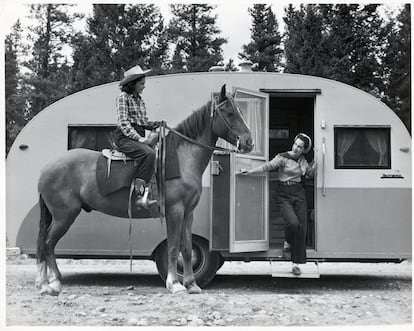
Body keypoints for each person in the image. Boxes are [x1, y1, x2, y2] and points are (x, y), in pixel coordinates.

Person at [239, 133, 316, 276]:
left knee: (301, 227)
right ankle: (287, 242)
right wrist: (250, 171)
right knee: (293, 223)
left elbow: (310, 173)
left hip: (298, 193)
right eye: (295, 144)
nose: (296, 148)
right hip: (283, 193)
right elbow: (268, 166)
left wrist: (317, 161)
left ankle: (296, 264)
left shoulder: (303, 160)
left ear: (304, 149)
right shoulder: (283, 157)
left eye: (300, 147)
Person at [113, 65, 160, 209]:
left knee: (158, 153)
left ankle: (152, 193)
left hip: (137, 136)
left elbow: (143, 122)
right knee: (149, 154)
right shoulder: (123, 98)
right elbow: (124, 123)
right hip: (125, 138)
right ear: (132, 84)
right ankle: (139, 194)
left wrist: (155, 125)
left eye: (144, 84)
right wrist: (140, 139)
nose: (144, 87)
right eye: (141, 84)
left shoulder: (140, 100)